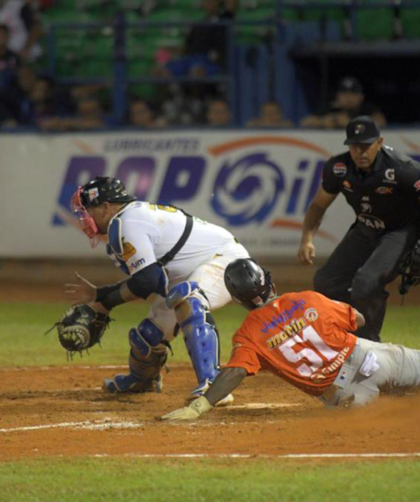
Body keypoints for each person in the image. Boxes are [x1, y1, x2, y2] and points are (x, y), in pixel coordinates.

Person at [161, 258, 420, 421]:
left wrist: (199, 407)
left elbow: (235, 372)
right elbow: (360, 320)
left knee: (387, 423)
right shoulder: (308, 298)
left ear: (238, 299)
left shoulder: (248, 334)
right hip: (376, 358)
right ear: (268, 283)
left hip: (350, 395)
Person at [64, 176, 249, 404]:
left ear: (105, 206)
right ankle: (142, 381)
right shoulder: (126, 221)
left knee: (189, 302)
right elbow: (155, 281)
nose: (84, 218)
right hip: (190, 274)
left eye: (87, 210)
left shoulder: (127, 223)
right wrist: (100, 296)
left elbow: (147, 282)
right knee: (148, 336)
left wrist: (103, 302)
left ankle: (213, 384)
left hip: (225, 261)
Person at [297, 116, 420, 343]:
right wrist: (307, 239)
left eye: (366, 145)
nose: (360, 152)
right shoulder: (339, 168)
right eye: (354, 146)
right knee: (326, 281)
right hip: (367, 227)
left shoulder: (402, 169)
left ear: (379, 142)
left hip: (400, 230)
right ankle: (343, 336)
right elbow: (318, 205)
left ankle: (370, 347)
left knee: (367, 282)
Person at [300, 77, 386, 129]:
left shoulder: (366, 108)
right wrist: (326, 121)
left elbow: (381, 122)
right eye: (344, 93)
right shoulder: (333, 108)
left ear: (361, 97)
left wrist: (351, 123)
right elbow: (305, 122)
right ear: (338, 96)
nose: (348, 98)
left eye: (353, 93)